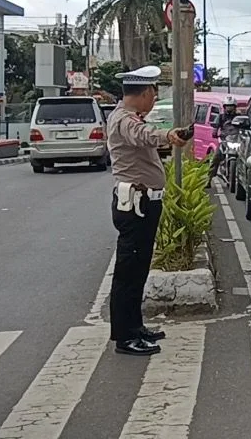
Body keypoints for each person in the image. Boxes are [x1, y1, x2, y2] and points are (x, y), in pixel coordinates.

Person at [106, 66, 189, 356]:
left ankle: (135, 325)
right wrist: (169, 135)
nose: (154, 98)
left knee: (138, 270)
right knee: (128, 273)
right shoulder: (125, 120)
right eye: (153, 92)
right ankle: (125, 337)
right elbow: (143, 135)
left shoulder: (130, 117)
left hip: (143, 203)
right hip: (135, 206)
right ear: (142, 94)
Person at [209, 95, 240, 182]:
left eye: (231, 106)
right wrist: (214, 132)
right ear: (224, 107)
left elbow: (245, 126)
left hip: (237, 140)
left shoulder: (239, 117)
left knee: (246, 158)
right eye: (227, 106)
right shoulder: (221, 117)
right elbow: (215, 126)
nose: (229, 108)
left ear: (235, 107)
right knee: (216, 158)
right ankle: (208, 180)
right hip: (224, 141)